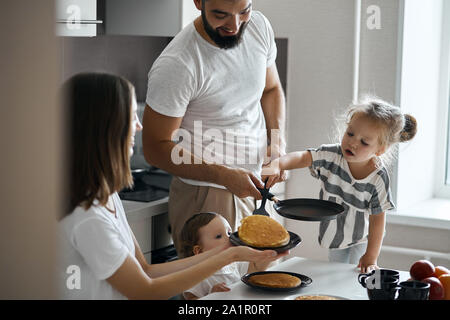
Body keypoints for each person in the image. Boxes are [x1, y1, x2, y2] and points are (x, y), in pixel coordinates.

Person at [58, 72, 283, 300]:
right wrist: (229, 257)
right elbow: (144, 291)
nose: (138, 126)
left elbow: (146, 270)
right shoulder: (88, 218)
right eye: (131, 116)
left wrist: (227, 251)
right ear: (105, 129)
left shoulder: (108, 196)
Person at [142, 0, 287, 254]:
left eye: (244, 11)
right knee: (214, 292)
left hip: (254, 187)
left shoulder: (258, 27)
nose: (234, 25)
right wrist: (222, 175)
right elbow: (155, 148)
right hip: (208, 196)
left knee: (259, 289)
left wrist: (275, 143)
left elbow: (271, 88)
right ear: (198, 2)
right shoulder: (178, 64)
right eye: (221, 15)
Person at [263, 96, 418, 273]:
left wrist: (372, 255)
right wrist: (277, 164)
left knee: (356, 276)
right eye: (350, 133)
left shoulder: (378, 178)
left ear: (380, 149)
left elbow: (377, 221)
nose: (352, 142)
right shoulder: (332, 156)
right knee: (335, 273)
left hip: (361, 239)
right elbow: (303, 157)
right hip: (334, 235)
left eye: (364, 142)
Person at [180, 212, 286, 299]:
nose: (229, 238)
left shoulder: (233, 262)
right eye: (218, 236)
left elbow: (254, 270)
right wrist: (211, 296)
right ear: (199, 251)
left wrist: (268, 255)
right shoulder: (195, 275)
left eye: (229, 233)